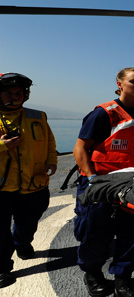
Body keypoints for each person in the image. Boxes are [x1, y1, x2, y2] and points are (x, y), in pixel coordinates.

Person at [73, 67, 134, 297]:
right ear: (120, 84)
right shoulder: (104, 114)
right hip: (102, 184)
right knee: (95, 234)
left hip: (133, 185)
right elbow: (80, 148)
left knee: (130, 234)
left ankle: (123, 280)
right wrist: (92, 179)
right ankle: (92, 274)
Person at [0, 73, 57, 288]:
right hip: (2, 188)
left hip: (33, 183)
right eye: (8, 93)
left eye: (18, 93)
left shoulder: (38, 116)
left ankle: (22, 242)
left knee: (27, 224)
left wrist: (52, 162)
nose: (14, 97)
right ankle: (2, 268)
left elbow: (50, 143)